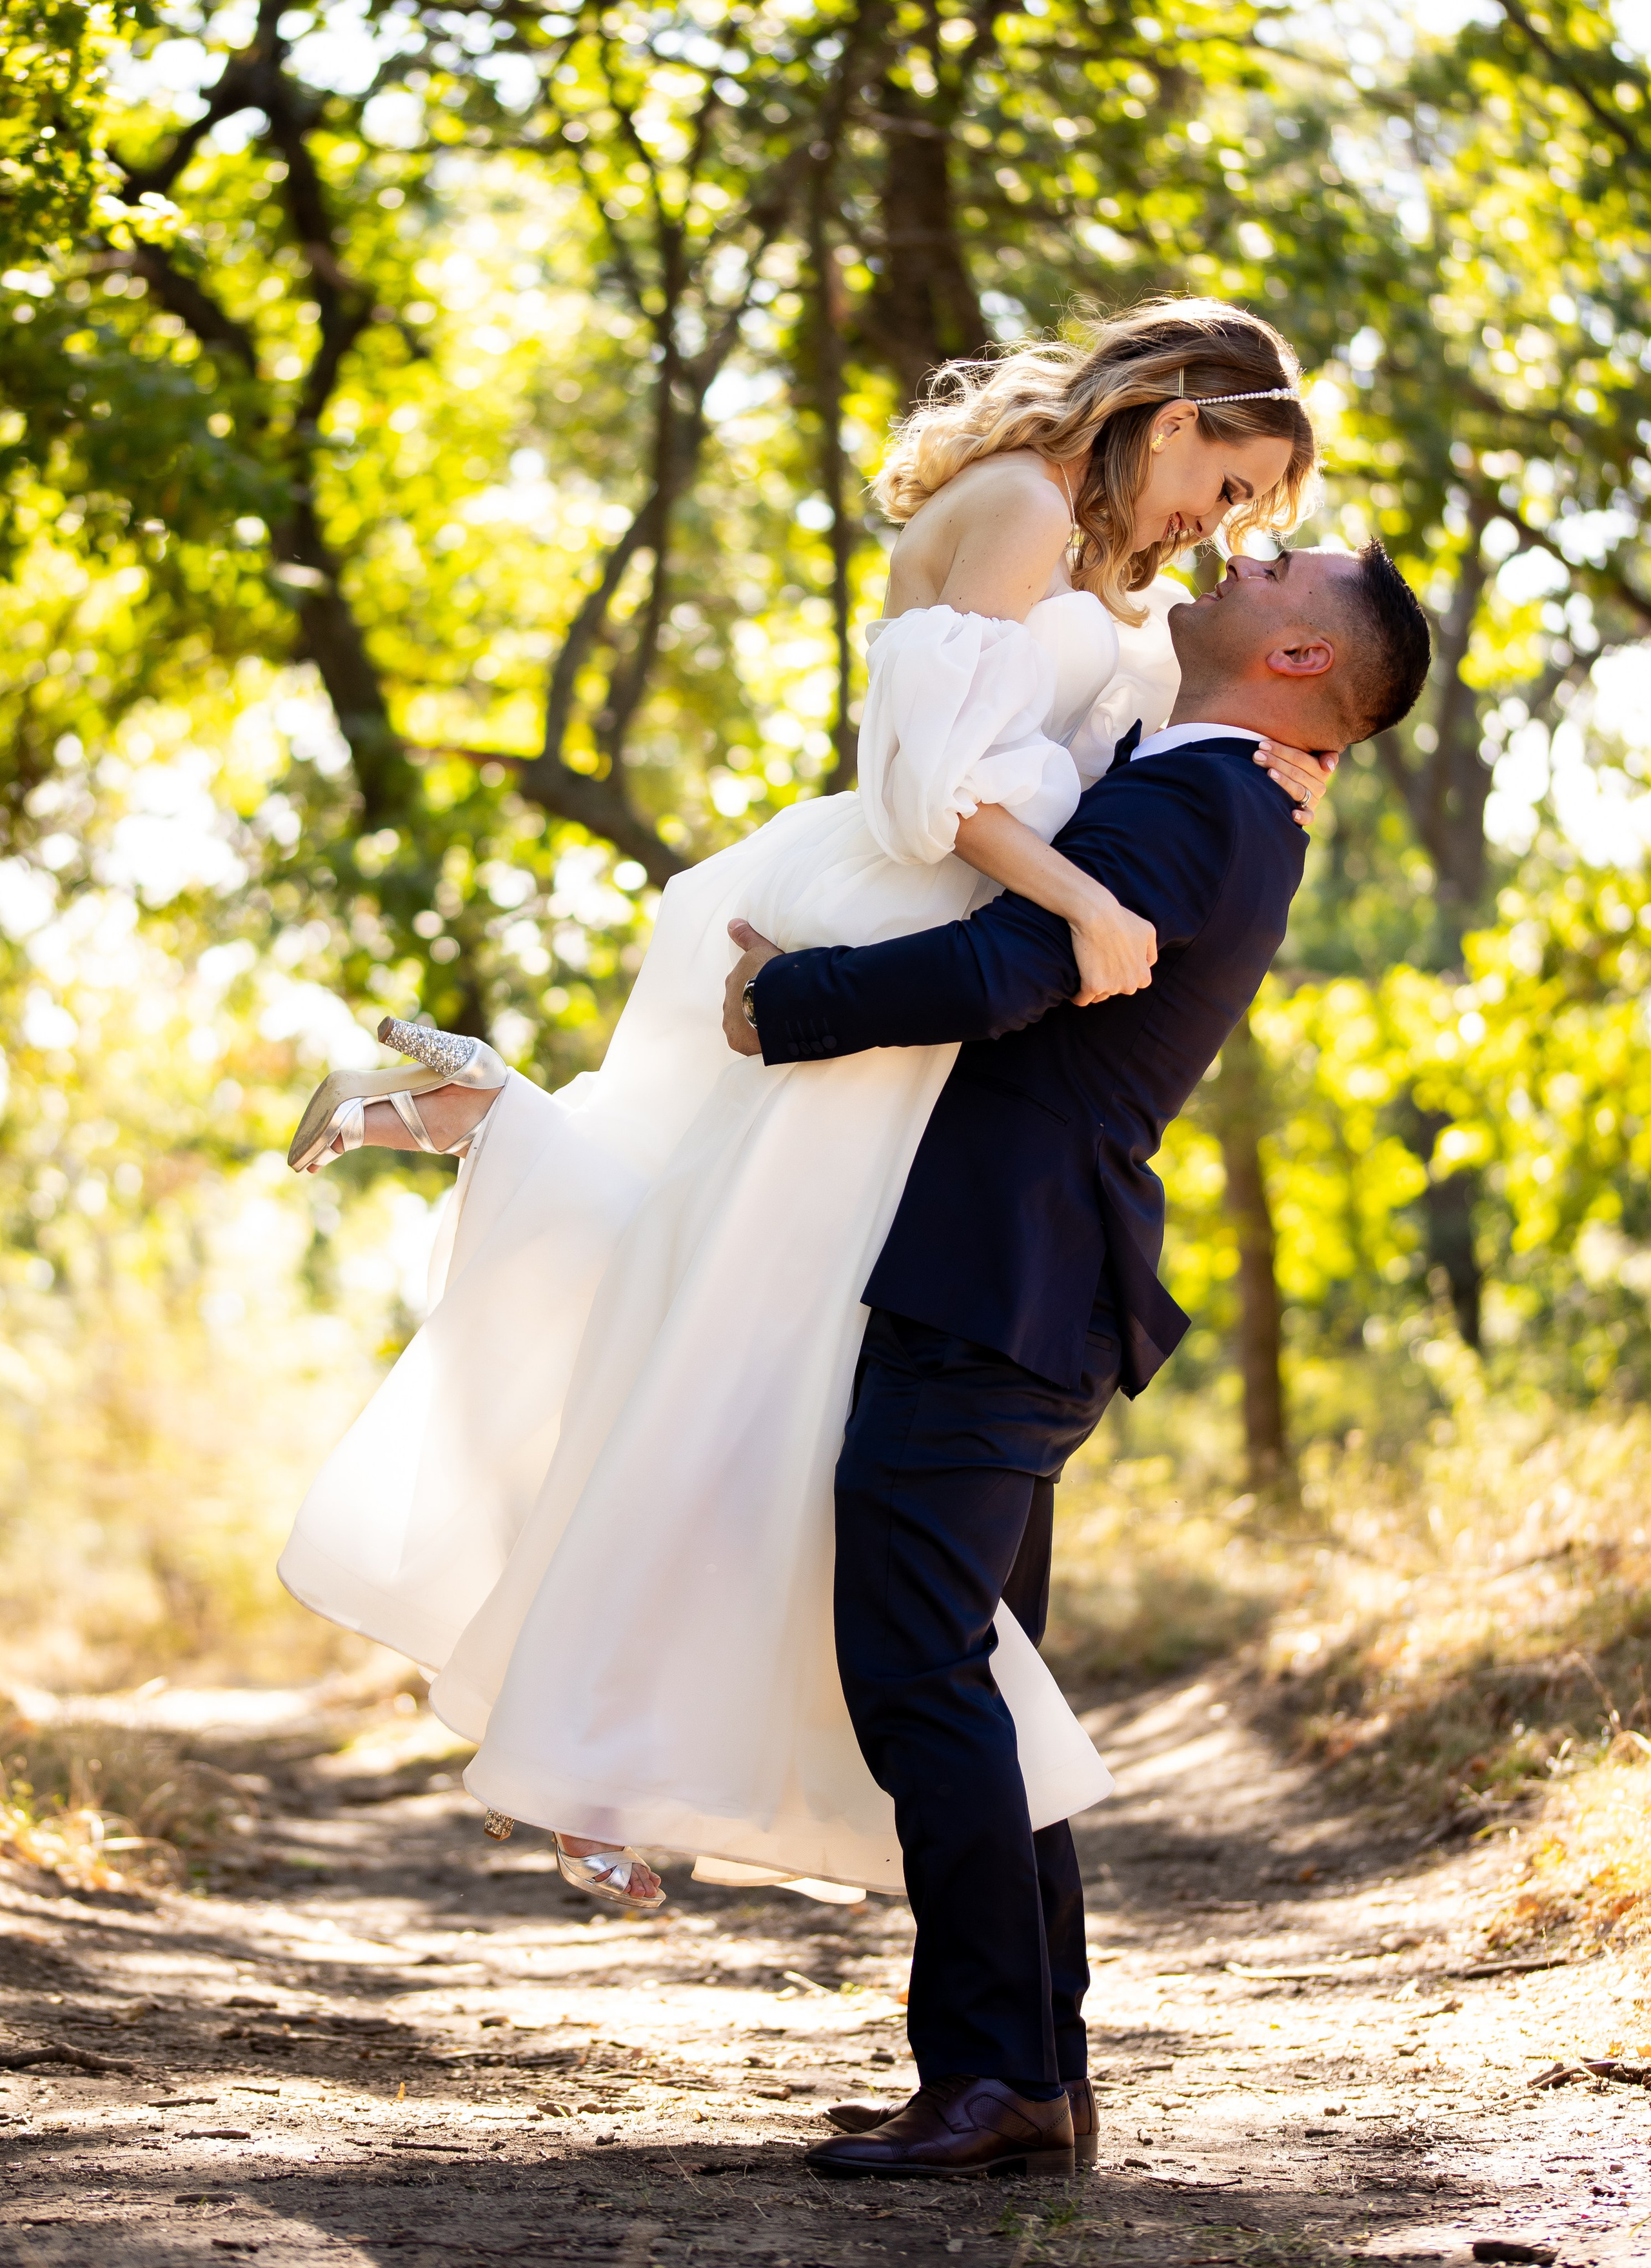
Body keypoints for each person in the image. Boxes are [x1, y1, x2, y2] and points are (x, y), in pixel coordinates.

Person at [278, 299, 1329, 1916]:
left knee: (764, 1356)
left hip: (951, 983)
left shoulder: (1102, 563)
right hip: (902, 925)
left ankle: (487, 1125)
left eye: (1250, 516)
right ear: (1172, 408)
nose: (1221, 527)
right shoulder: (1021, 506)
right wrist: (1086, 910)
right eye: (1230, 480)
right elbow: (930, 780)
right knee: (738, 1350)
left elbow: (1112, 743)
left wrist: (1264, 757)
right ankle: (593, 1739)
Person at [714, 539, 1432, 2180]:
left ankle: (994, 2074)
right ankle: (1028, 2065)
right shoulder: (1206, 779)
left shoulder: (1206, 807)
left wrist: (785, 1002)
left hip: (1002, 1274)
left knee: (920, 1672)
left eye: (1279, 559)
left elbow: (1014, 969)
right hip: (1014, 1274)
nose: (1239, 546)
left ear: (1304, 660)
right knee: (982, 1674)